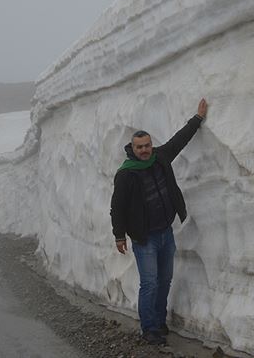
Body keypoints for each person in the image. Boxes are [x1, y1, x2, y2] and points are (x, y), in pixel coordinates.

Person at [110, 98, 208, 345]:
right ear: (132, 148)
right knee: (150, 283)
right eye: (139, 147)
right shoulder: (126, 174)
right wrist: (119, 236)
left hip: (165, 232)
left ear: (151, 145)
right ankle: (149, 329)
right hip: (144, 238)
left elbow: (179, 140)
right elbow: (117, 208)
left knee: (164, 280)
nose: (144, 150)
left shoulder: (160, 157)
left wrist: (197, 119)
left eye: (147, 145)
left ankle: (159, 320)